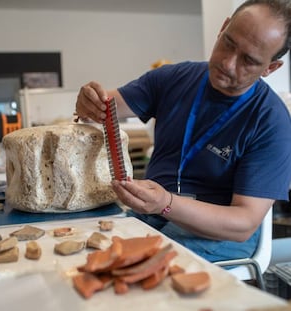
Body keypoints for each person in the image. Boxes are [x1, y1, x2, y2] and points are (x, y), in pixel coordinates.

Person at [75, 0, 291, 262]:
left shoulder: (271, 122)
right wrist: (88, 102)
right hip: (150, 216)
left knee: (137, 275)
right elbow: (105, 106)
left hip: (215, 234)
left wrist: (166, 203)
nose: (228, 63)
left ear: (270, 68)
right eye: (228, 43)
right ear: (223, 28)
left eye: (248, 60)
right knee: (80, 256)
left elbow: (243, 223)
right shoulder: (173, 78)